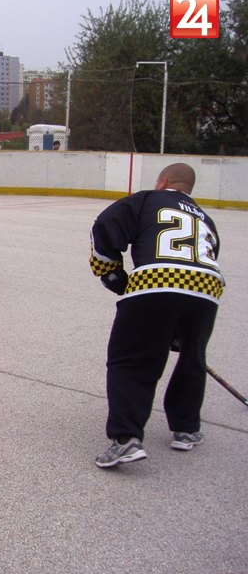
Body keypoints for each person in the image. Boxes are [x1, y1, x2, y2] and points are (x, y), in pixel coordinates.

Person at [89, 162, 225, 468]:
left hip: (156, 281)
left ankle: (126, 439)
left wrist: (111, 273)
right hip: (207, 290)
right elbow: (210, 256)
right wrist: (177, 324)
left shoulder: (147, 199)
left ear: (163, 181)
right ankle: (186, 429)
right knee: (193, 357)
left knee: (130, 361)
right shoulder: (204, 217)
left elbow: (105, 226)